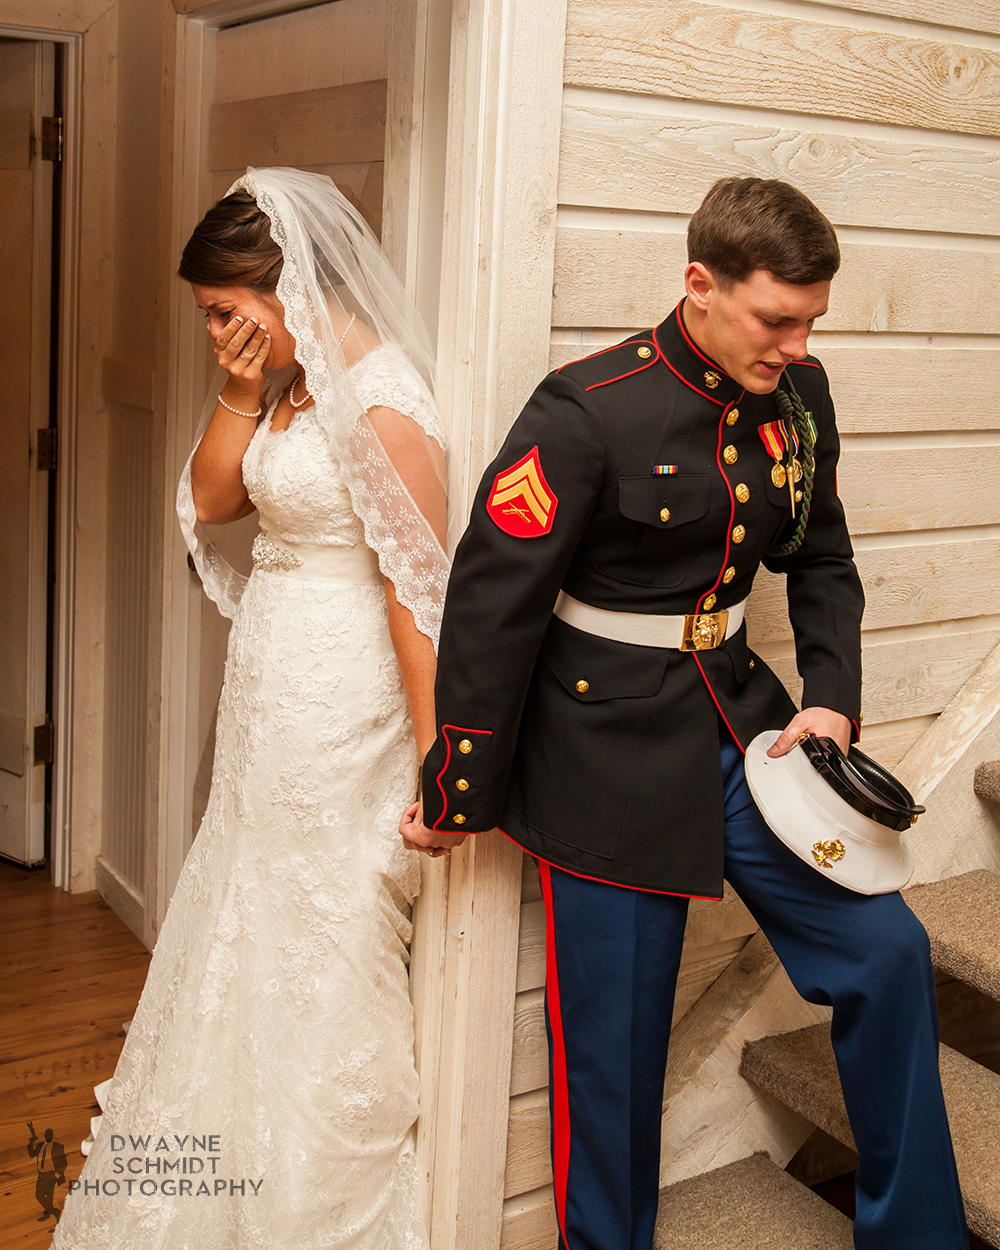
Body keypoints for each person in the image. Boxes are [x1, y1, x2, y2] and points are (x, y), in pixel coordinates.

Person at [402, 178, 969, 1248]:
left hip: (743, 731)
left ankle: (917, 1237)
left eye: (811, 321)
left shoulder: (799, 399)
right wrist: (457, 786)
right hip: (598, 749)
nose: (796, 345)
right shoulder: (584, 408)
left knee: (885, 953)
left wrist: (832, 704)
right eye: (776, 318)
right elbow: (490, 607)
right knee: (613, 1055)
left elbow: (821, 559)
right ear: (699, 284)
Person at [54, 167, 448, 1250]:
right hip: (268, 687)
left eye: (226, 310)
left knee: (327, 922)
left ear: (286, 283)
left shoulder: (382, 399)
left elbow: (416, 594)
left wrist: (437, 755)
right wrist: (237, 385)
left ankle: (309, 1192)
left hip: (345, 700)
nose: (218, 330)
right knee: (246, 902)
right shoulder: (285, 383)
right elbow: (219, 498)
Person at [28, 1123, 67, 1222]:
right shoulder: (40, 1145)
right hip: (41, 1173)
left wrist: (61, 1175)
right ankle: (52, 1211)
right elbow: (32, 1154)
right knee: (38, 1195)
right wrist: (31, 1143)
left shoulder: (58, 1146)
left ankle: (51, 1212)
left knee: (48, 1194)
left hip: (51, 1173)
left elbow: (63, 1161)